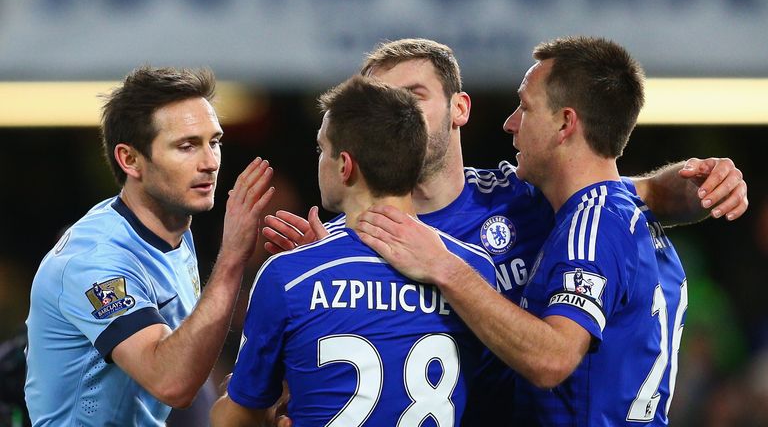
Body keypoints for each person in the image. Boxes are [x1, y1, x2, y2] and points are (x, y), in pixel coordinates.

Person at [260, 38, 749, 424]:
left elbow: (625, 190)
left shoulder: (525, 196)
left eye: (413, 97)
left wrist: (700, 185)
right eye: (380, 103)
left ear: (460, 109)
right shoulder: (342, 242)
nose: (397, 115)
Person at [356, 35, 690, 425]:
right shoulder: (617, 211)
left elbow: (552, 359)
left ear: (566, 122)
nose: (510, 123)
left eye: (525, 108)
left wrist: (444, 266)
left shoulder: (592, 223)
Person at [210, 75, 497, 426]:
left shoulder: (288, 275)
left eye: (321, 149)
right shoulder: (475, 269)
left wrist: (246, 400)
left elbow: (235, 419)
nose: (319, 160)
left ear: (345, 166)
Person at [24, 66, 275, 426]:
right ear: (130, 160)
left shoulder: (172, 230)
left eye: (214, 142)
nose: (209, 163)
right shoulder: (96, 260)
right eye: (187, 146)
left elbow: (187, 366)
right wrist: (234, 255)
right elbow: (171, 382)